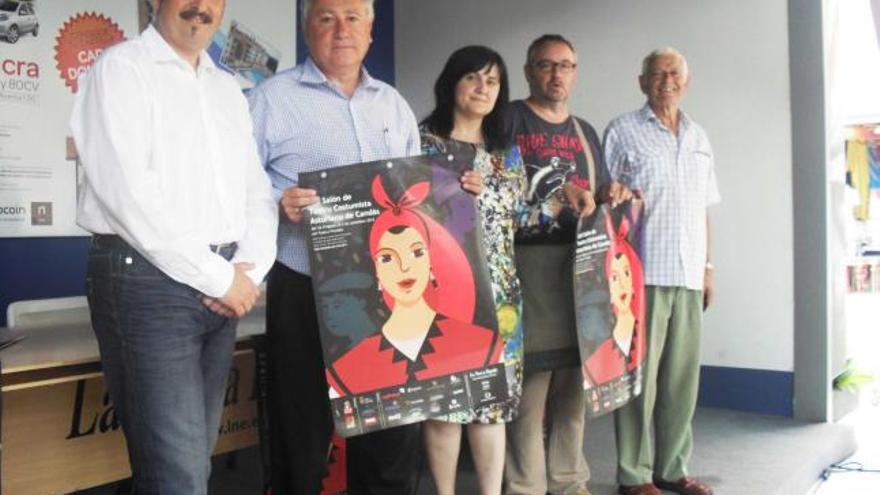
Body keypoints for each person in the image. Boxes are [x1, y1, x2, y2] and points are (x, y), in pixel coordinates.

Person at [247, 0, 477, 493]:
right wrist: (274, 201)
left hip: (387, 293)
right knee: (301, 429)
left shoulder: (392, 104)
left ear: (371, 31)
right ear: (307, 28)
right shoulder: (270, 99)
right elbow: (238, 186)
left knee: (390, 432)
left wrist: (456, 192)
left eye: (353, 17)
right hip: (303, 285)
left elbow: (414, 196)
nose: (341, 30)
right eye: (326, 17)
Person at [70, 0, 278, 493]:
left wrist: (249, 267)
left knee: (188, 466)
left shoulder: (227, 89)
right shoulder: (121, 70)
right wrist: (222, 278)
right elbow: (128, 194)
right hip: (146, 281)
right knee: (177, 476)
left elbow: (255, 191)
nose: (200, 7)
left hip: (219, 285)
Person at [504, 33, 630, 495]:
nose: (557, 74)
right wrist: (554, 197)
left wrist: (608, 193)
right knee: (530, 385)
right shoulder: (509, 118)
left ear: (575, 72)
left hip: (581, 267)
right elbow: (497, 189)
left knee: (576, 380)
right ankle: (525, 485)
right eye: (546, 65)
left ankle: (568, 478)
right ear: (528, 71)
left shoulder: (585, 130)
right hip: (528, 263)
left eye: (566, 66)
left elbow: (593, 194)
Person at [604, 47, 720, 495]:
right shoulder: (622, 131)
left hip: (689, 274)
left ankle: (672, 468)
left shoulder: (699, 138)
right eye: (656, 74)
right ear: (641, 81)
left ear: (686, 82)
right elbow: (607, 205)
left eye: (674, 73)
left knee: (681, 381)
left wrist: (709, 268)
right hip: (641, 275)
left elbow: (703, 210)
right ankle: (633, 474)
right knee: (639, 380)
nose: (665, 81)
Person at [419, 45, 526, 495]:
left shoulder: (507, 152)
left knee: (491, 406)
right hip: (439, 291)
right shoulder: (421, 142)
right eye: (473, 78)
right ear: (452, 83)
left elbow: (519, 213)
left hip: (500, 294)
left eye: (493, 81)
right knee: (444, 406)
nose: (483, 89)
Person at [327, 176, 502, 396]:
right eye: (387, 258)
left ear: (431, 262)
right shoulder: (348, 370)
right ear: (376, 271)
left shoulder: (481, 344)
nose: (404, 267)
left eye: (417, 252)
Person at [582, 213, 646, 388]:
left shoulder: (642, 336)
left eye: (626, 272)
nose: (623, 283)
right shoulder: (598, 356)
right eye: (615, 277)